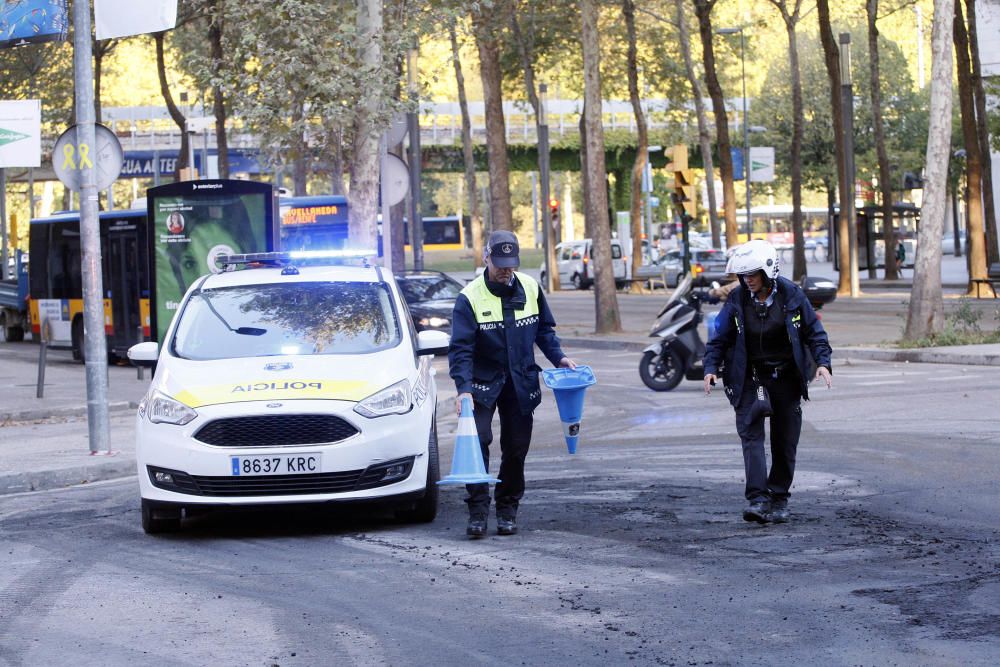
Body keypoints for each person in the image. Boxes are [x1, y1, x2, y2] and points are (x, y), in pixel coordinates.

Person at [448, 230, 577, 538]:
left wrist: (559, 358)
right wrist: (463, 388)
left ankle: (507, 509)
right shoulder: (470, 297)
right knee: (478, 442)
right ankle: (478, 510)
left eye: (511, 263)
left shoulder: (531, 288)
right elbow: (461, 348)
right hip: (482, 383)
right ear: (486, 258)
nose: (506, 270)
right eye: (500, 263)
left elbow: (545, 331)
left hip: (520, 381)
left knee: (516, 449)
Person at [703, 239, 832, 524]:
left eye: (752, 274)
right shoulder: (737, 299)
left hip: (785, 378)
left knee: (785, 441)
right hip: (749, 378)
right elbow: (719, 337)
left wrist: (823, 363)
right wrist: (710, 367)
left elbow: (815, 333)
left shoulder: (792, 295)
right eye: (743, 275)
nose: (747, 280)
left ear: (768, 271)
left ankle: (779, 498)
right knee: (751, 438)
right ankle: (758, 501)